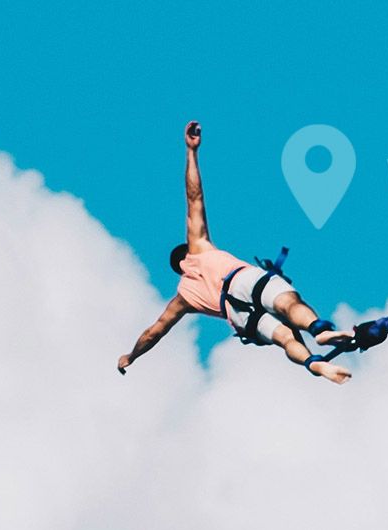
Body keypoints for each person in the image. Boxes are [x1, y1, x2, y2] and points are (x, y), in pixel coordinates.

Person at [116, 121, 354, 384]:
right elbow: (194, 197)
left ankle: (313, 363)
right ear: (186, 252)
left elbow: (155, 332)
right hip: (243, 280)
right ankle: (318, 329)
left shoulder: (182, 299)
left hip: (237, 315)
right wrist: (191, 152)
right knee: (288, 304)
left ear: (178, 270)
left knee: (285, 338)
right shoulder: (198, 247)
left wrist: (131, 356)